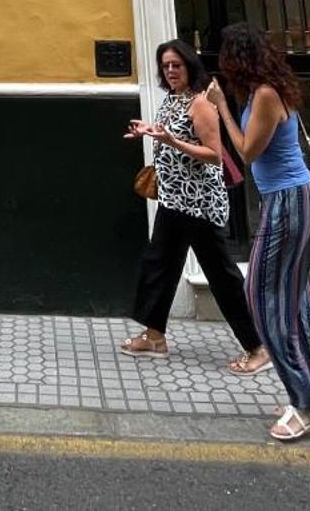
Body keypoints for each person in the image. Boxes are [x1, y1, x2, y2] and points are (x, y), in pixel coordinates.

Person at [210, 23, 310, 443]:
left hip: (287, 204)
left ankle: (304, 404)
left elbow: (247, 152)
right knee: (297, 302)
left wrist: (221, 109)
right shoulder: (268, 89)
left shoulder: (264, 94)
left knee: (262, 301)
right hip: (292, 200)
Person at [122, 39, 266, 373]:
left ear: (190, 66)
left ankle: (257, 346)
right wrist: (150, 132)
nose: (171, 71)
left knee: (221, 275)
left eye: (177, 65)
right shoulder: (174, 99)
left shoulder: (200, 103)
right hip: (174, 200)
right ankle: (155, 335)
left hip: (198, 204)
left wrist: (170, 140)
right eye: (166, 66)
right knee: (159, 264)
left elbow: (214, 154)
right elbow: (167, 134)